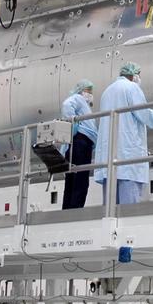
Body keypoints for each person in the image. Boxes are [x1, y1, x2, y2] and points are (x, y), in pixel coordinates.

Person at [93, 63, 153, 205]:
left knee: (110, 208)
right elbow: (143, 113)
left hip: (108, 159)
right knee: (128, 209)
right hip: (127, 158)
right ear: (134, 76)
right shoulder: (132, 88)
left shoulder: (107, 91)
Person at [61, 79, 98, 209]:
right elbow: (66, 105)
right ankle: (75, 209)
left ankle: (68, 210)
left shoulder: (85, 106)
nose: (90, 94)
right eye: (88, 91)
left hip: (80, 143)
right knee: (80, 179)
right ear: (82, 91)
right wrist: (73, 124)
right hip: (80, 142)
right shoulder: (77, 98)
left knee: (73, 180)